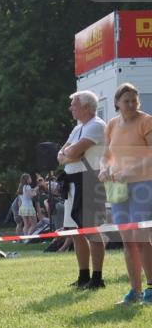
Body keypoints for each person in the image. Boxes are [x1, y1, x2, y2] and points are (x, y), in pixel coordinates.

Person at [100, 82, 152, 305]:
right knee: (127, 241)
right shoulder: (112, 124)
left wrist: (130, 171)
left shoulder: (146, 121)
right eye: (126, 101)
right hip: (118, 188)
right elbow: (106, 155)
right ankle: (135, 290)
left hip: (143, 185)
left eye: (134, 100)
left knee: (141, 239)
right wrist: (104, 168)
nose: (131, 104)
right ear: (117, 103)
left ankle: (150, 288)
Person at [58, 90, 108, 290]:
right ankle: (83, 276)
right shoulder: (78, 128)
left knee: (92, 232)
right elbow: (62, 153)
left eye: (74, 104)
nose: (71, 108)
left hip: (88, 181)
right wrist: (68, 155)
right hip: (72, 181)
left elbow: (74, 151)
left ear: (87, 107)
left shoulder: (96, 125)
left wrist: (68, 154)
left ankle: (97, 278)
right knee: (75, 232)